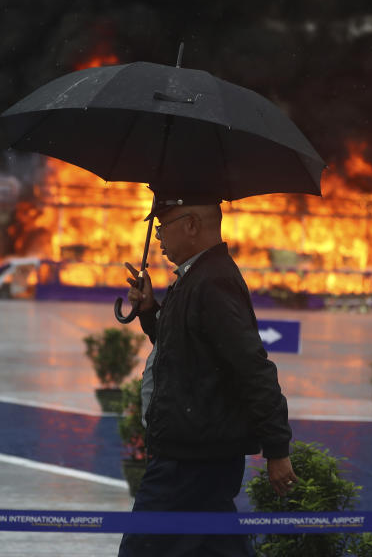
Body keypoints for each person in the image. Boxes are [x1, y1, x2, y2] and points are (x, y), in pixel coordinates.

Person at [118, 192, 298, 557]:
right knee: (214, 545)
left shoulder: (212, 282)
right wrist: (151, 311)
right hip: (196, 449)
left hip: (191, 458)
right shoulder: (196, 277)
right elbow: (187, 352)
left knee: (143, 549)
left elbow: (251, 366)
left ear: (192, 225)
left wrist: (277, 448)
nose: (158, 239)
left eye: (162, 227)